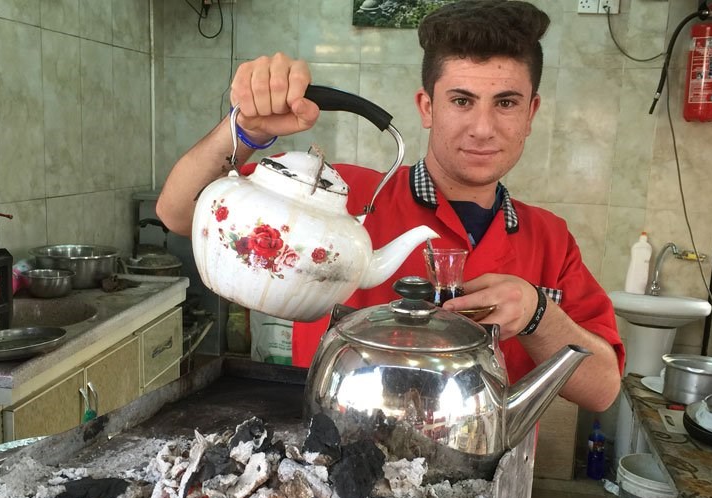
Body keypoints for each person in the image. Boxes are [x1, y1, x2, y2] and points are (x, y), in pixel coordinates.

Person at [157, 0, 624, 413]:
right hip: (327, 483)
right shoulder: (343, 199)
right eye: (462, 100)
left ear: (531, 113)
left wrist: (538, 314)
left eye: (505, 102)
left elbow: (602, 391)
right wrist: (246, 129)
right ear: (427, 106)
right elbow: (178, 213)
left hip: (482, 490)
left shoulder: (550, 238)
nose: (483, 128)